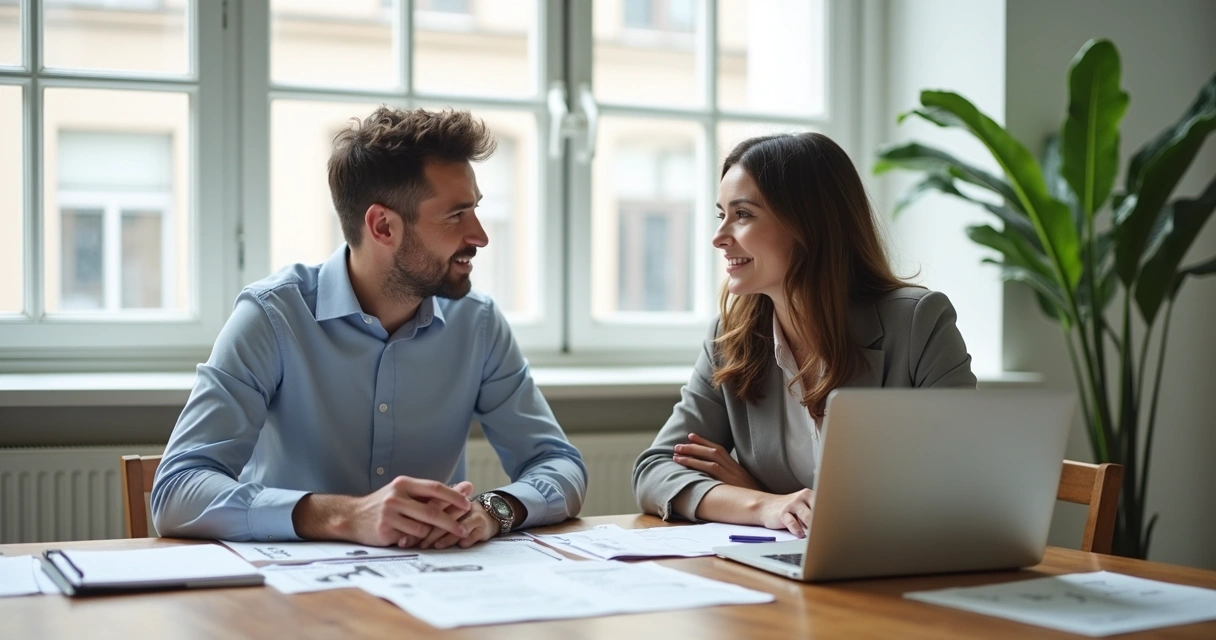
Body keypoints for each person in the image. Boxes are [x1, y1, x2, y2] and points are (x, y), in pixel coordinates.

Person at [152, 106, 587, 549]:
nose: (480, 235)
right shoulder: (272, 316)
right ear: (382, 226)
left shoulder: (477, 323)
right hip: (291, 598)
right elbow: (176, 491)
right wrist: (347, 516)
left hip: (440, 591)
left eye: (475, 209)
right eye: (456, 216)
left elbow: (559, 465)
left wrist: (494, 511)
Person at [632, 132, 976, 536]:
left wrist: (764, 493)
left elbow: (961, 483)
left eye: (742, 215)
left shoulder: (919, 323)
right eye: (720, 214)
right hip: (786, 574)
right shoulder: (732, 338)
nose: (719, 237)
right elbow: (655, 471)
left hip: (900, 569)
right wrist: (764, 504)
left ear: (808, 225)